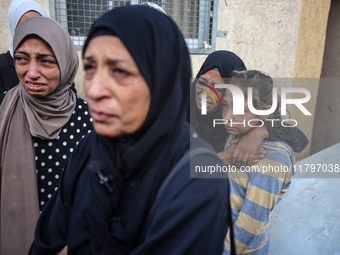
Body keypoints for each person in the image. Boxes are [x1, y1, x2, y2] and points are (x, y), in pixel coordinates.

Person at [29, 6, 229, 255]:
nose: (94, 90)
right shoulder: (88, 150)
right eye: (90, 68)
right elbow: (46, 243)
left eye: (120, 71)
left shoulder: (198, 178)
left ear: (161, 79)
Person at [0, 17, 93, 254]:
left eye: (46, 61)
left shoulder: (90, 120)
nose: (31, 73)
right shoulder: (2, 108)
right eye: (21, 59)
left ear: (65, 62)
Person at [190, 50, 308, 167]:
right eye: (202, 82)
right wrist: (223, 158)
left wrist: (261, 132)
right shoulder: (179, 104)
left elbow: (300, 140)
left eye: (218, 88)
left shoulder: (239, 119)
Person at [222, 70, 295, 255]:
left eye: (239, 109)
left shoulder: (272, 159)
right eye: (225, 105)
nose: (227, 117)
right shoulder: (237, 133)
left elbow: (251, 223)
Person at [0, 0, 47, 94]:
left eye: (38, 24)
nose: (33, 31)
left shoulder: (55, 63)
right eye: (25, 26)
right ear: (13, 28)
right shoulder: (2, 66)